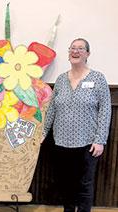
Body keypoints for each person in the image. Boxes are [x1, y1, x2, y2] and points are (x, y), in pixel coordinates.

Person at [42, 38, 111, 212]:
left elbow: (105, 110)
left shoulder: (98, 78)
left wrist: (100, 140)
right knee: (66, 185)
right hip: (62, 143)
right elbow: (52, 109)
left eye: (80, 48)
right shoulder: (60, 79)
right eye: (73, 48)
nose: (76, 51)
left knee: (84, 187)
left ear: (87, 54)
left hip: (88, 144)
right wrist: (43, 133)